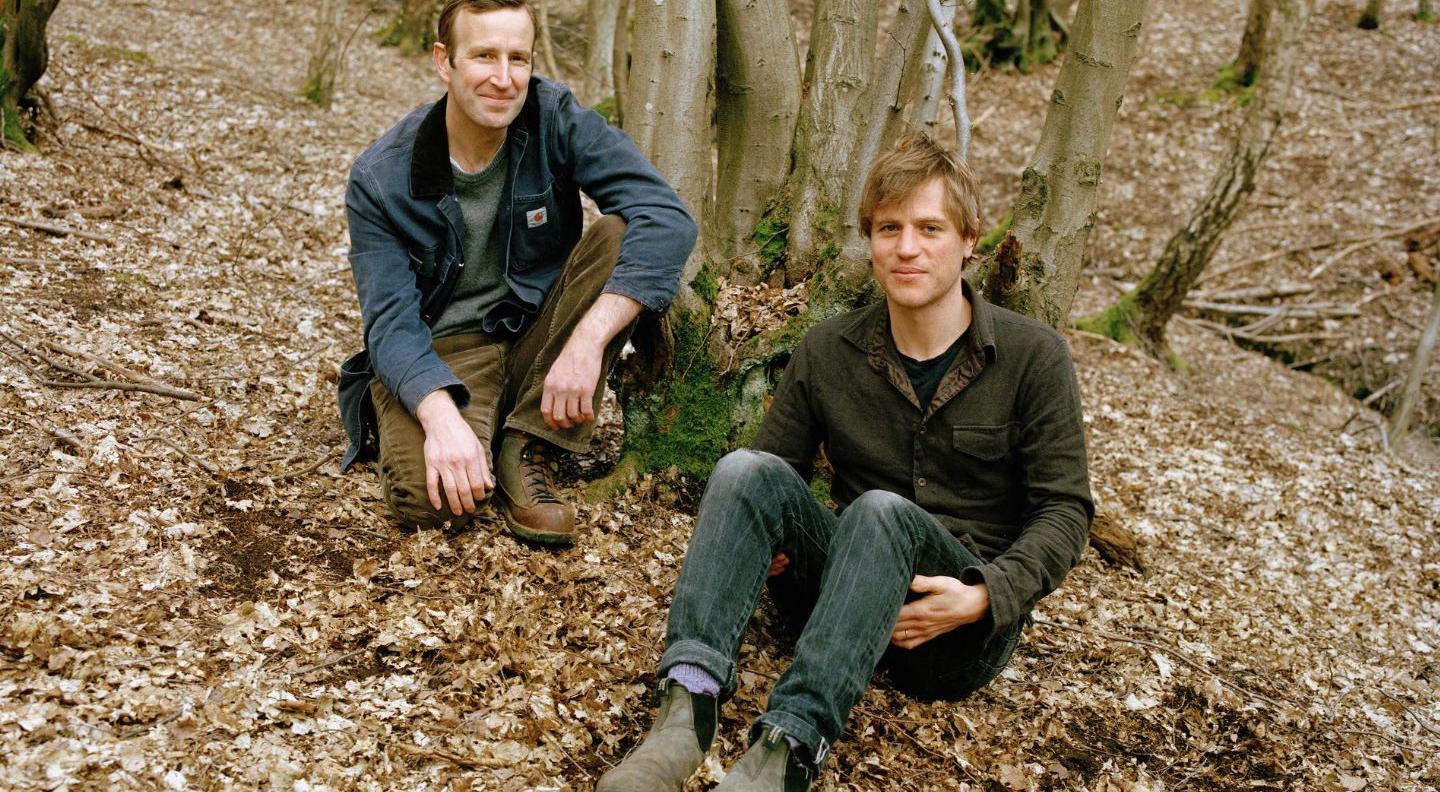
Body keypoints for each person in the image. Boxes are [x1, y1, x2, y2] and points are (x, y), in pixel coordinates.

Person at [597, 134, 1093, 791]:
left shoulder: (1033, 357)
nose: (906, 247)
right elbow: (770, 474)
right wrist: (760, 540)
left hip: (952, 633)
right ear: (871, 239)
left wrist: (983, 596)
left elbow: (1065, 507)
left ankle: (787, 752)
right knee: (743, 471)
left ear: (970, 241)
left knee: (885, 512)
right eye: (889, 228)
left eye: (929, 228)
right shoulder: (829, 350)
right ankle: (684, 715)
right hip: (840, 599)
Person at [336, 0, 696, 546]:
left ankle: (524, 446)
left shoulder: (553, 116)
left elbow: (666, 216)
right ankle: (490, 426)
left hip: (538, 328)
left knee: (620, 233)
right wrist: (439, 418)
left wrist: (589, 343)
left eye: (518, 59)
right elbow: (389, 323)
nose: (503, 80)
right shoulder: (380, 176)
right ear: (444, 61)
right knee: (430, 502)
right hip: (445, 353)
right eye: (484, 56)